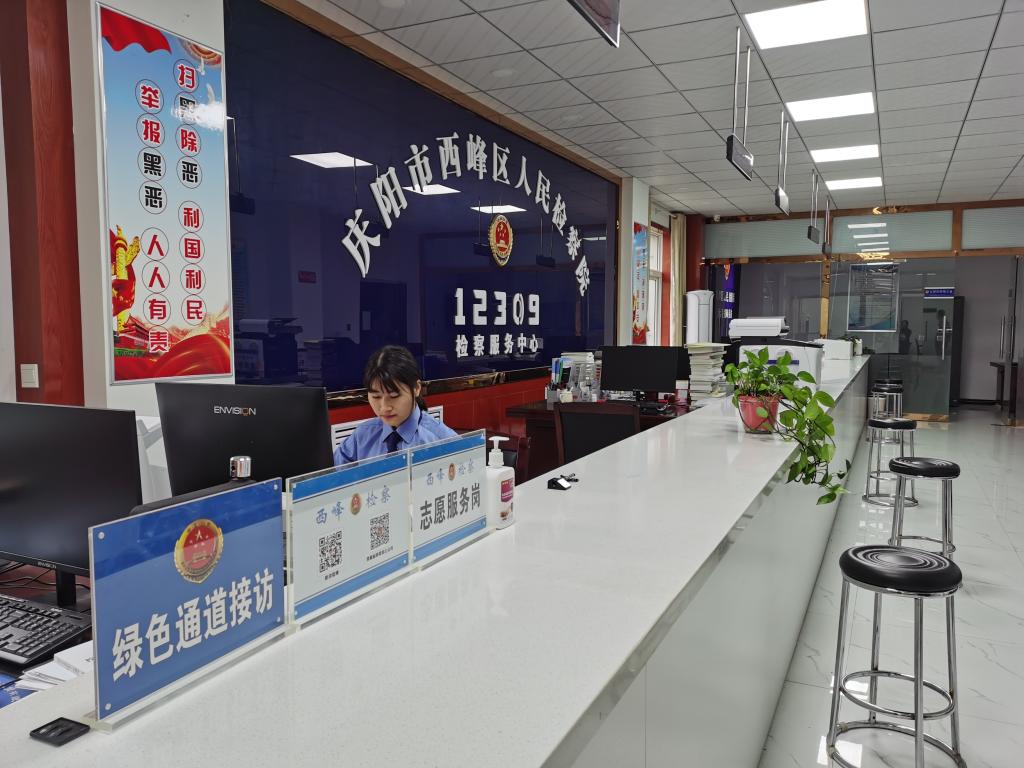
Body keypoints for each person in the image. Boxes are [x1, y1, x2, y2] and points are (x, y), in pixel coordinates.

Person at [333, 345, 457, 465]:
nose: (384, 407)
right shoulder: (361, 437)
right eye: (376, 397)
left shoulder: (443, 441)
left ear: (416, 388)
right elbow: (332, 474)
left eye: (394, 396)